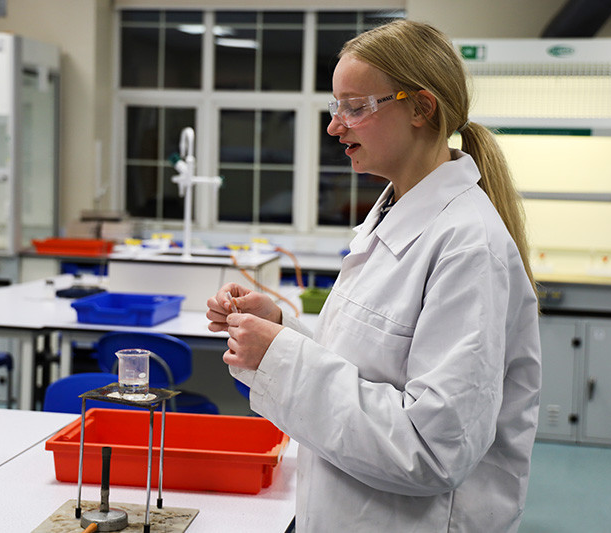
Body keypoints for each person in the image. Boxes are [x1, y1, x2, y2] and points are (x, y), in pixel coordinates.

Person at [206, 20, 541, 532]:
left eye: (355, 107)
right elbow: (370, 364)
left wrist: (278, 356)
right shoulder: (391, 218)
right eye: (335, 107)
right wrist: (280, 329)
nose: (335, 126)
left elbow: (430, 449)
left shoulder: (468, 246)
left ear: (420, 108)